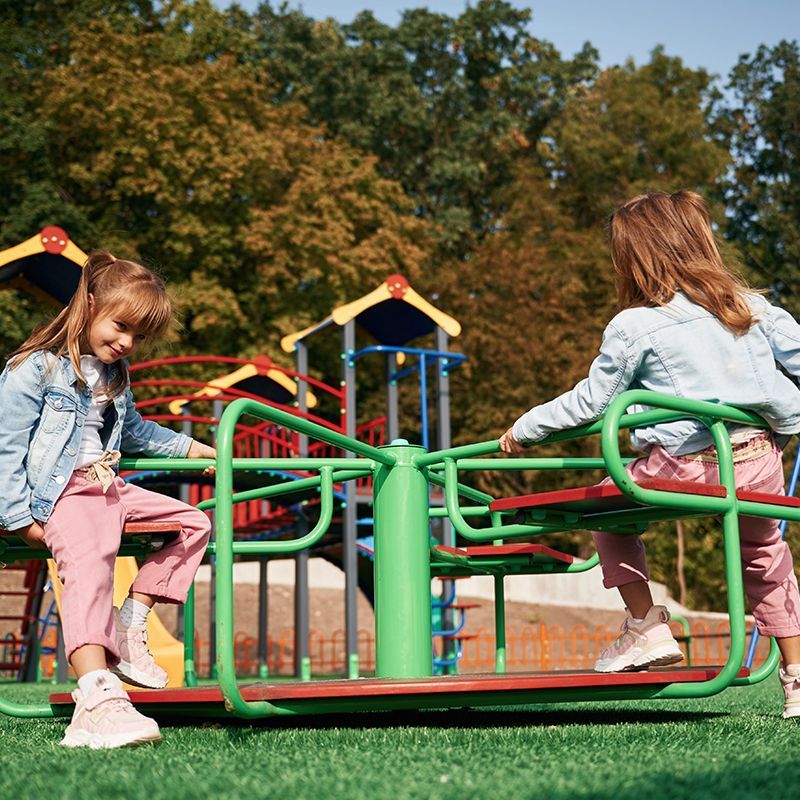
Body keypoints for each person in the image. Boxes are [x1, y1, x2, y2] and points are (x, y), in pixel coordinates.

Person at [499, 190, 800, 718]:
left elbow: (593, 401)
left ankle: (646, 626)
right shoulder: (750, 306)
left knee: (607, 512)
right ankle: (797, 679)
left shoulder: (636, 325)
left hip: (685, 464)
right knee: (764, 556)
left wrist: (526, 427)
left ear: (635, 259)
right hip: (756, 459)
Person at [0, 251, 215, 747]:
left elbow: (134, 431)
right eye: (120, 326)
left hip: (107, 486)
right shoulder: (34, 368)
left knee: (193, 522)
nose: (126, 343)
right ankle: (98, 696)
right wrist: (16, 518)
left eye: (138, 337)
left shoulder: (116, 377)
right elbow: (6, 442)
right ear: (89, 304)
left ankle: (132, 618)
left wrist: (188, 446)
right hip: (63, 492)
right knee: (91, 566)